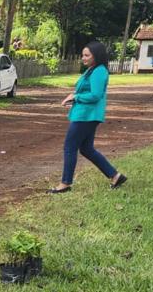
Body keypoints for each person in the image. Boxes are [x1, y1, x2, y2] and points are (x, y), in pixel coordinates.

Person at [49, 41, 128, 194]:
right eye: (82, 55)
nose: (83, 58)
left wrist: (76, 97)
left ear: (96, 56)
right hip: (86, 114)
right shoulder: (93, 70)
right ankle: (115, 176)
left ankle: (65, 183)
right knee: (86, 149)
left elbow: (96, 95)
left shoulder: (99, 71)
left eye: (87, 55)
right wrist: (74, 96)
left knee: (70, 147)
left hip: (87, 115)